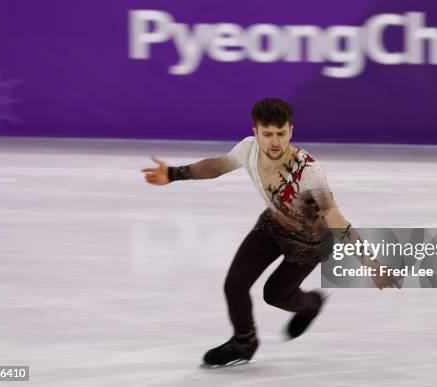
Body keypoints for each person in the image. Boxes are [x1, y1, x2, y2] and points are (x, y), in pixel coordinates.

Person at [141, 97, 399, 367]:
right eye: (267, 134)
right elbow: (217, 166)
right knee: (234, 285)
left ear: (291, 131)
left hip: (309, 244)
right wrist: (173, 173)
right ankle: (244, 342)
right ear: (256, 133)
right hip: (273, 226)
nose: (275, 142)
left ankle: (311, 304)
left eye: (281, 133)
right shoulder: (248, 149)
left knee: (275, 295)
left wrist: (370, 263)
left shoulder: (308, 172)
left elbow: (334, 218)